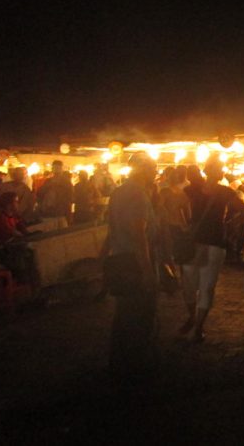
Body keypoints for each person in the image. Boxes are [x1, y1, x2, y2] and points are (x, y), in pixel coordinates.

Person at [100, 153, 159, 383]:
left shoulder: (119, 192)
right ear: (143, 170)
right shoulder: (137, 194)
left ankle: (120, 363)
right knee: (140, 314)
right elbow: (138, 234)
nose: (155, 173)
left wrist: (102, 255)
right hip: (134, 261)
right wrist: (146, 271)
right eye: (153, 169)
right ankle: (136, 368)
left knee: (124, 314)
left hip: (120, 258)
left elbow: (111, 227)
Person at [180, 156, 244, 342]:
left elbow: (174, 209)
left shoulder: (190, 190)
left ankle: (194, 320)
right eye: (220, 169)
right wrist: (229, 223)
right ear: (215, 171)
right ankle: (198, 326)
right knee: (206, 286)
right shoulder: (225, 192)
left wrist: (184, 225)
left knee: (189, 285)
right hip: (215, 242)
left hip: (194, 241)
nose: (222, 172)